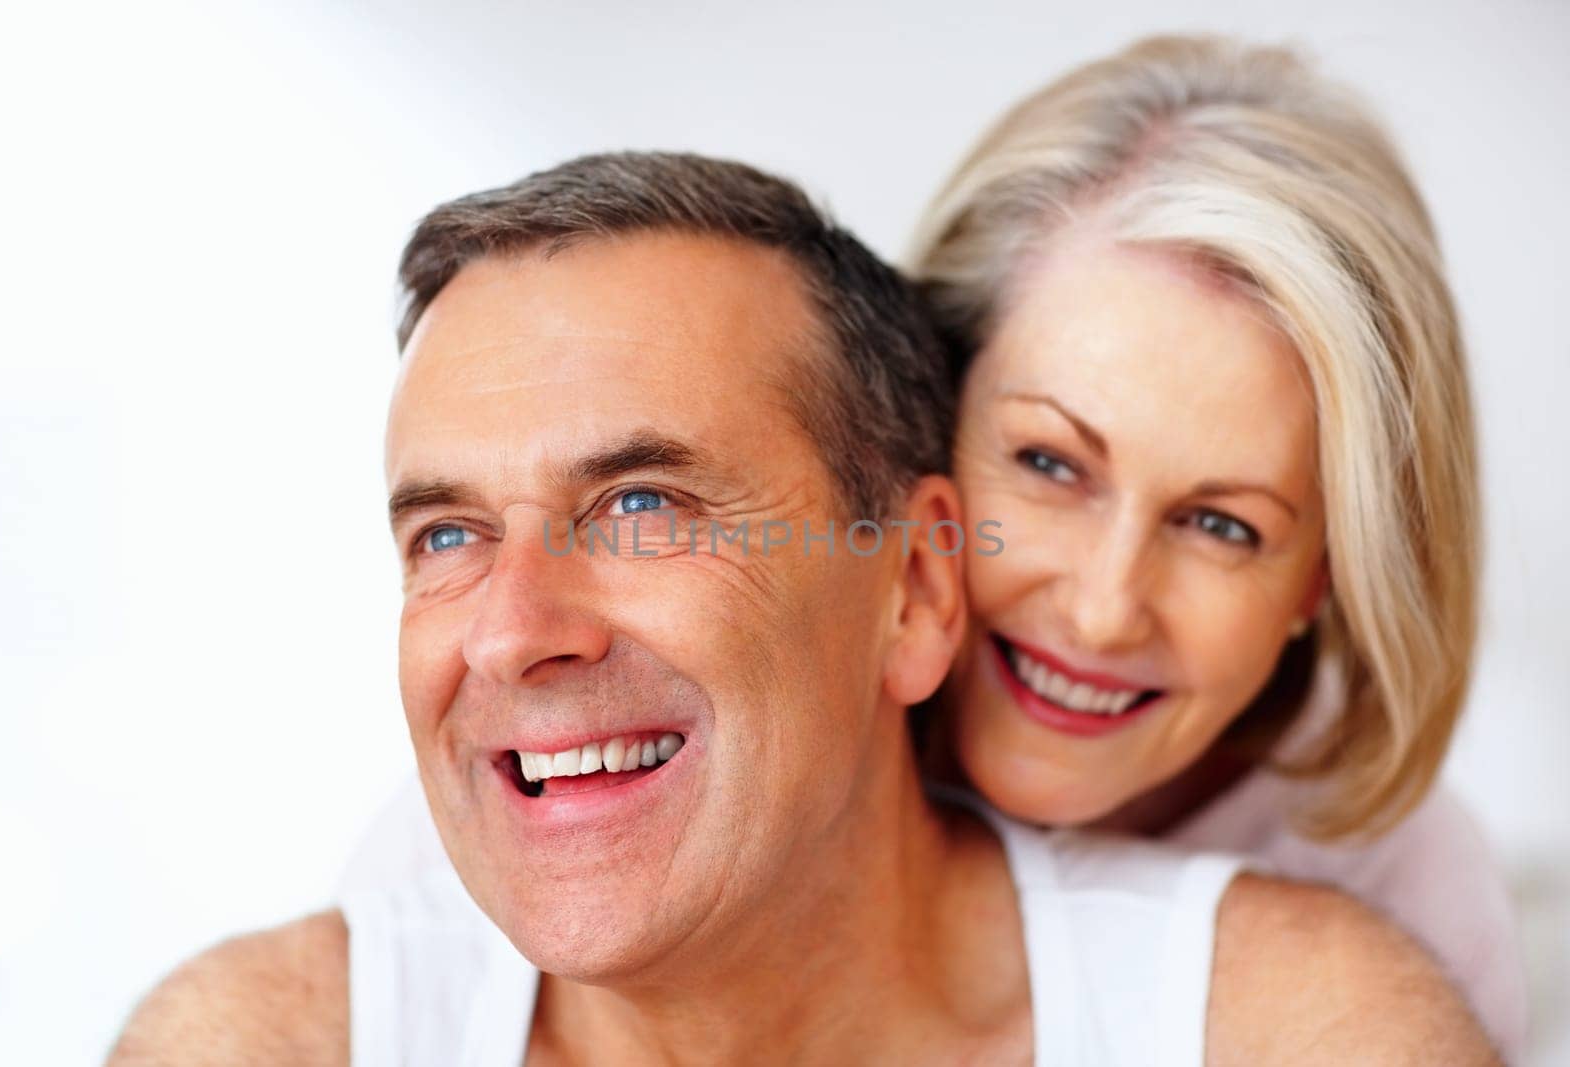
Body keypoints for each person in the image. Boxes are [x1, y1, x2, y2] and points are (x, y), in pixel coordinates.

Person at [107, 152, 1496, 1065]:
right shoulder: (272, 1035)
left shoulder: (1296, 1016)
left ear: (915, 583)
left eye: (645, 503)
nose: (511, 628)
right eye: (450, 531)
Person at [905, 34, 1525, 1058]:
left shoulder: (1402, 890)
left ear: (1324, 579)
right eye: (1051, 463)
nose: (1104, 606)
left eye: (1221, 525)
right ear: (928, 414)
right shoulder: (777, 741)